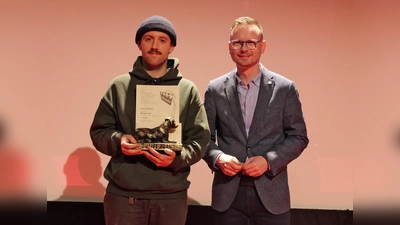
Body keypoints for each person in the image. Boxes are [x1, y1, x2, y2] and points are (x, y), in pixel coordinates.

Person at [90, 15, 210, 225]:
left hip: (171, 197)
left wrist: (176, 160)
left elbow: (199, 140)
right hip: (124, 197)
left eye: (162, 40)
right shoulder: (119, 86)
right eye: (148, 39)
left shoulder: (186, 90)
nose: (155, 46)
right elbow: (99, 132)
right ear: (139, 43)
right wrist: (119, 140)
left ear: (172, 47)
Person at [203, 16, 309, 225]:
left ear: (263, 46)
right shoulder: (215, 89)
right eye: (238, 42)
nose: (244, 48)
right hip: (228, 196)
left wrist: (268, 160)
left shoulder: (284, 88)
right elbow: (203, 138)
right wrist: (218, 157)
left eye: (251, 42)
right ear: (230, 47)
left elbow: (298, 137)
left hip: (272, 195)